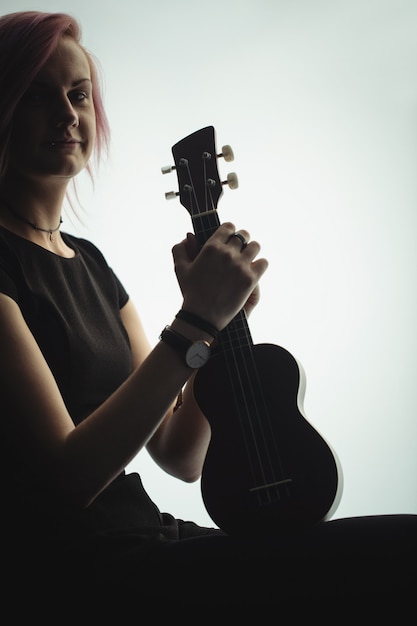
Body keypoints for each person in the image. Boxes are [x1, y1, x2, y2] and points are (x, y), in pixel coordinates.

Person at [0, 10, 415, 619]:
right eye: (37, 96)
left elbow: (181, 453)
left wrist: (215, 327)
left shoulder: (89, 264)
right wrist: (195, 320)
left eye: (78, 94)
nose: (67, 114)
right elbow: (67, 480)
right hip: (81, 570)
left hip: (153, 541)